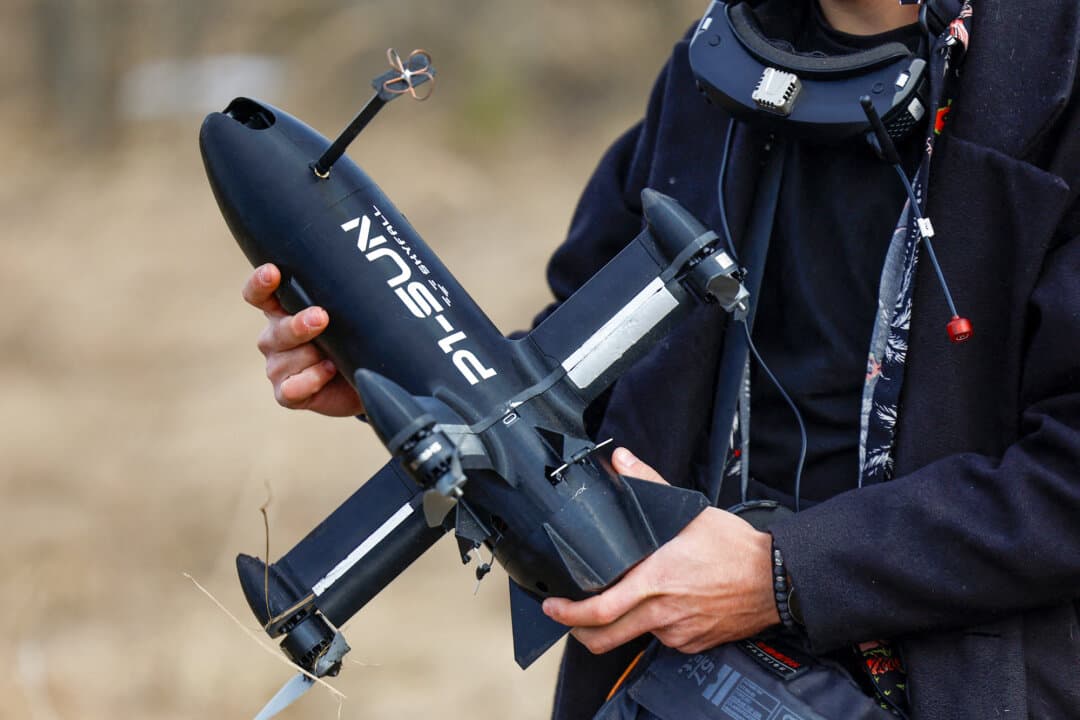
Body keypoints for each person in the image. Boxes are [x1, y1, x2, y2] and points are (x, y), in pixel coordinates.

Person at [240, 0, 1080, 717]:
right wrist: (394, 372)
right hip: (655, 686)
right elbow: (577, 379)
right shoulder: (715, 69)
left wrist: (785, 572)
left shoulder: (1052, 93)